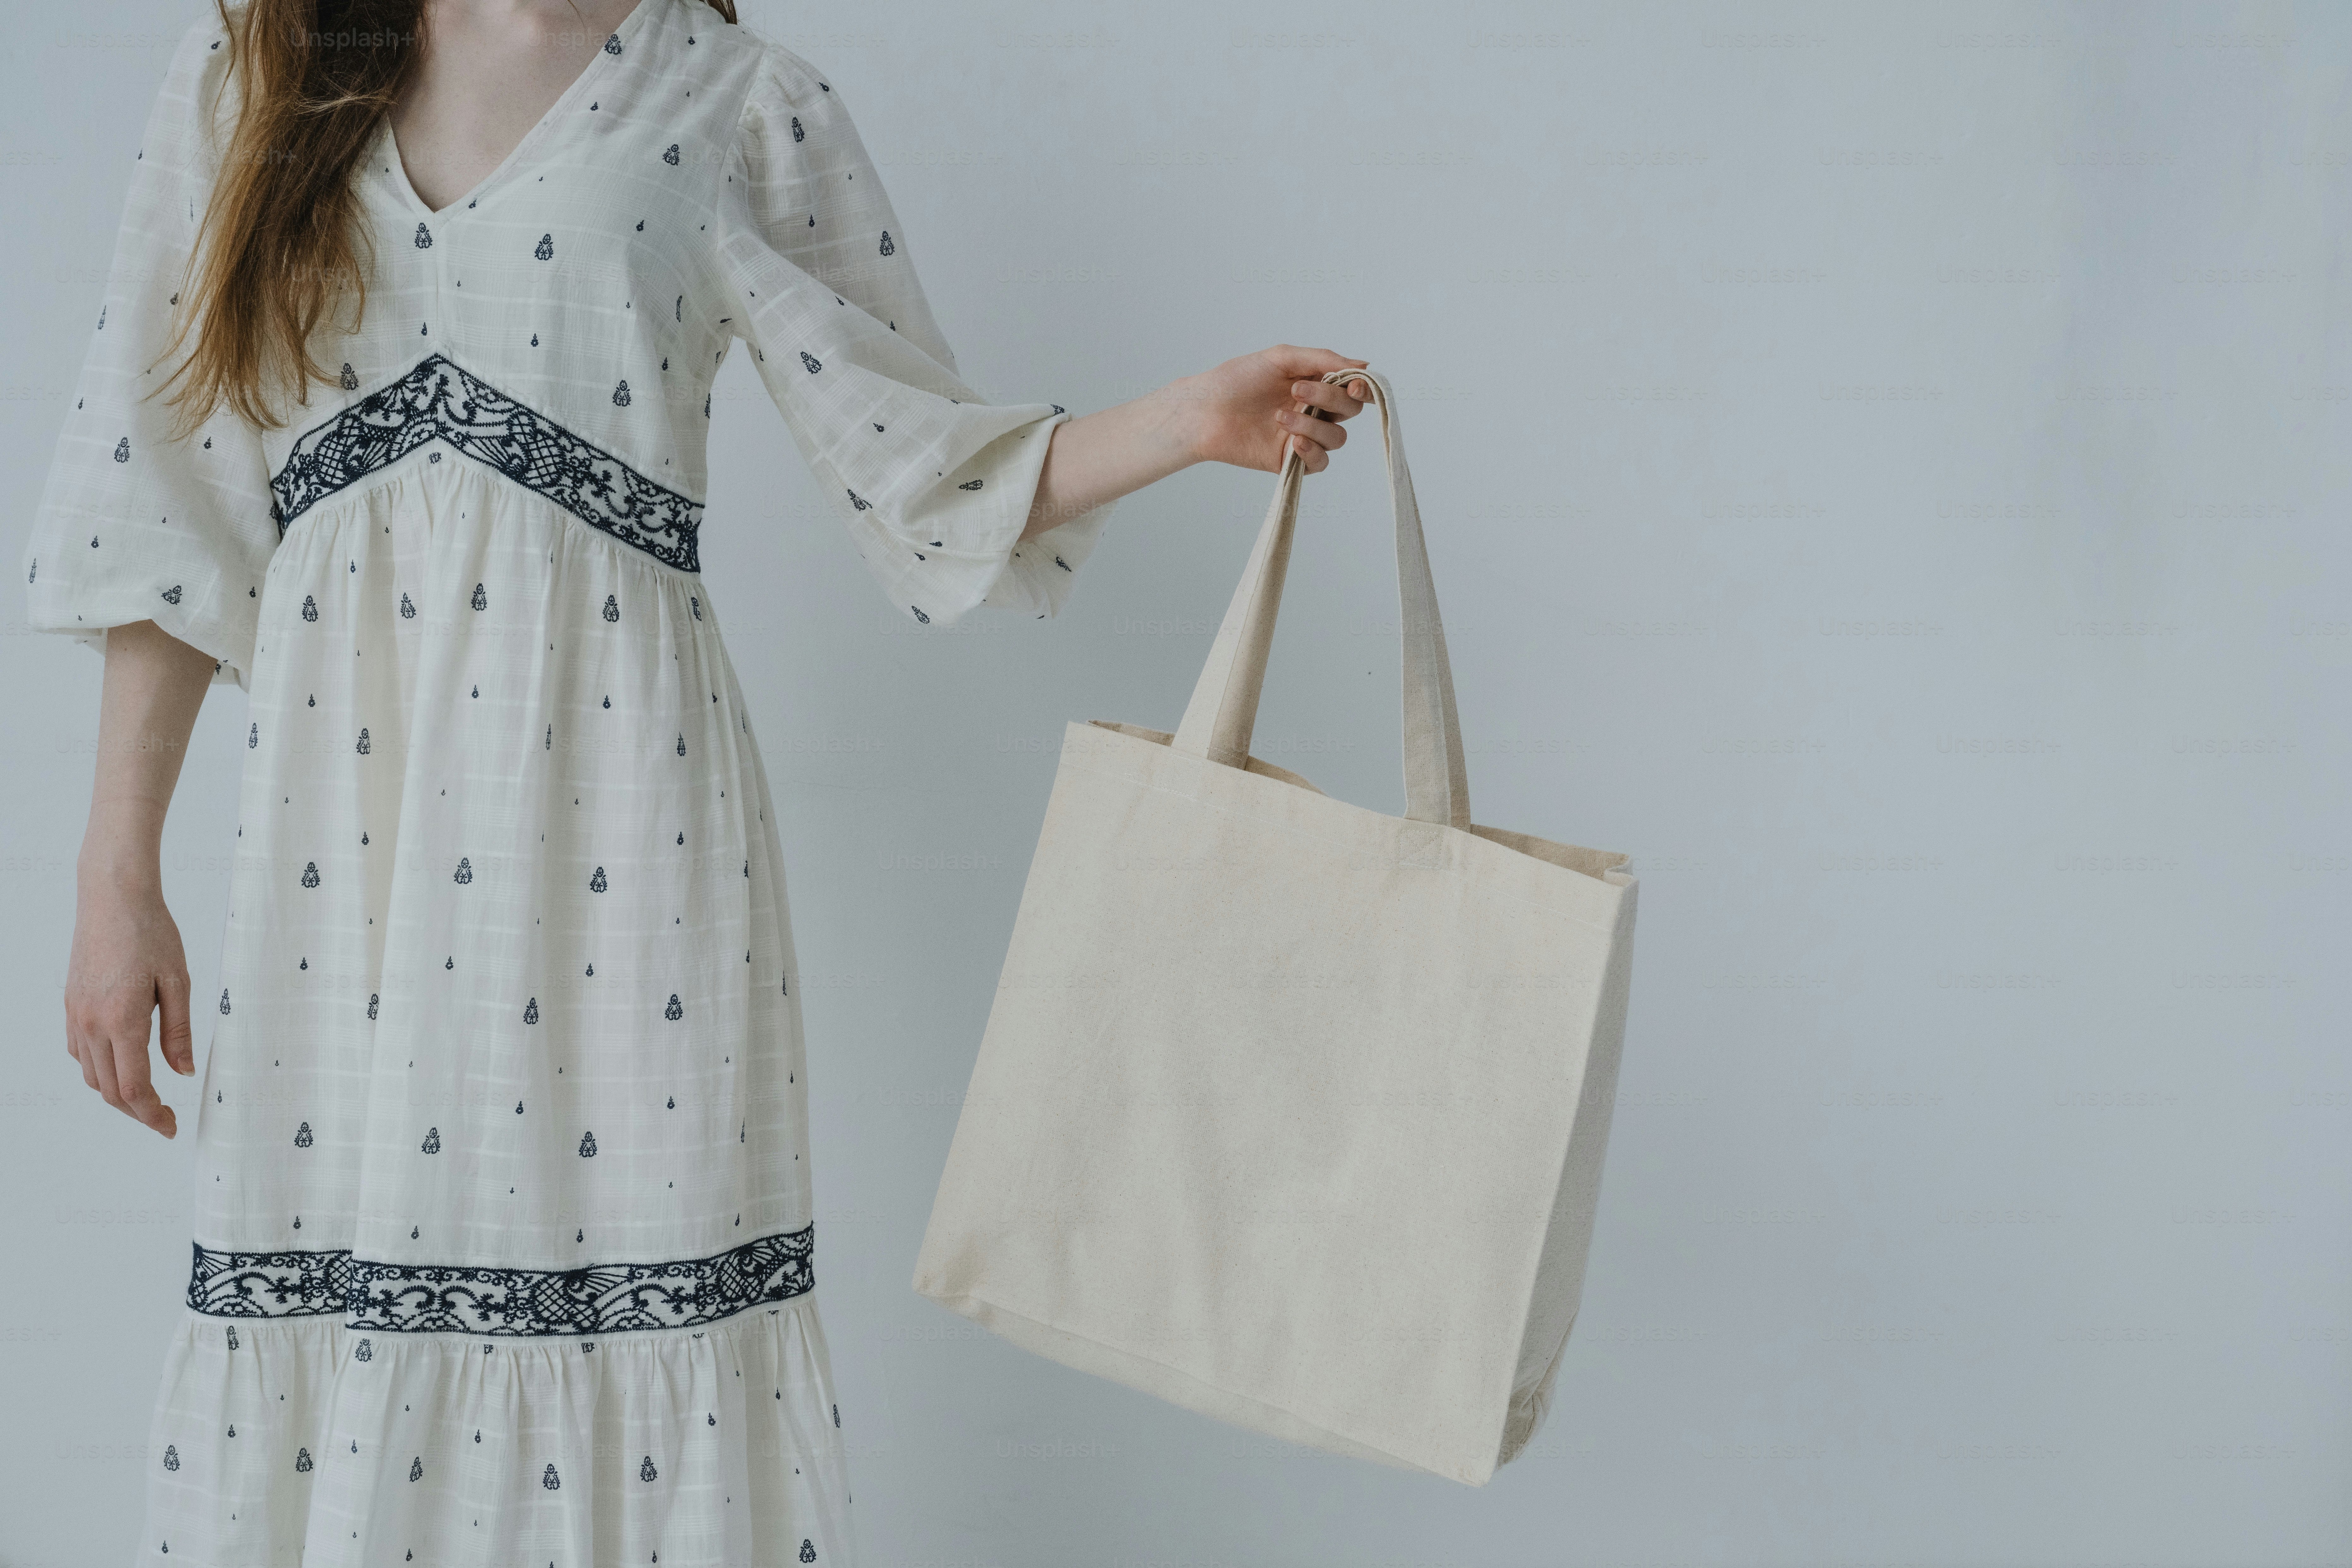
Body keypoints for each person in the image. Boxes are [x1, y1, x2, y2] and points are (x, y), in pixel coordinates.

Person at [26, 0, 1371, 1560]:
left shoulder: (738, 99)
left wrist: (1189, 421)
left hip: (624, 817)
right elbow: (161, 489)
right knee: (330, 1295)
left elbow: (919, 461)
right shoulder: (263, 57)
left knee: (633, 1298)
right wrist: (116, 874)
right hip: (343, 848)